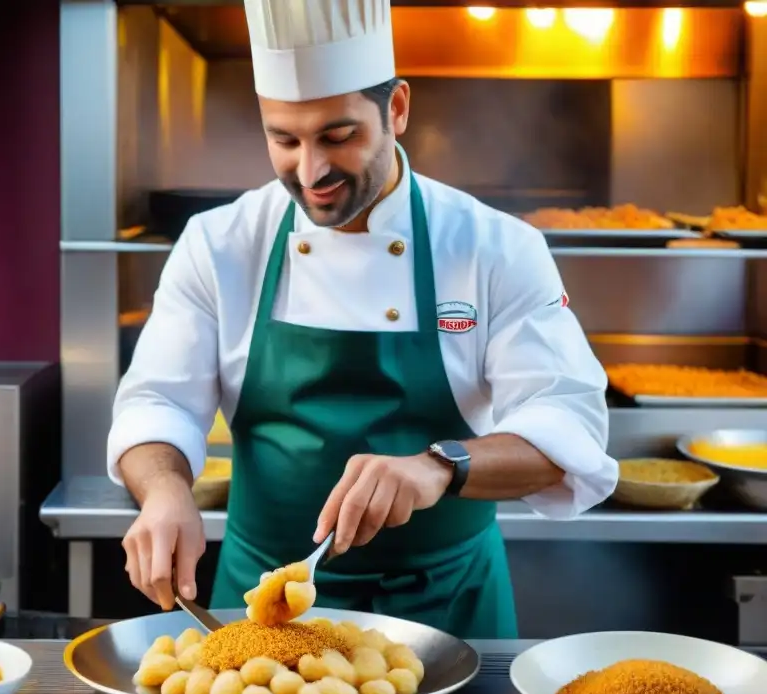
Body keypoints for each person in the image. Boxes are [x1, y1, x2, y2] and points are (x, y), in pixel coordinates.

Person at [108, 0, 618, 639]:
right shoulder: (219, 244)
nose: (311, 172)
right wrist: (163, 491)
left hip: (452, 608)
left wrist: (439, 465)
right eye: (284, 140)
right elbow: (158, 402)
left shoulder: (495, 247)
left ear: (397, 109)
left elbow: (567, 425)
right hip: (259, 612)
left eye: (339, 136)